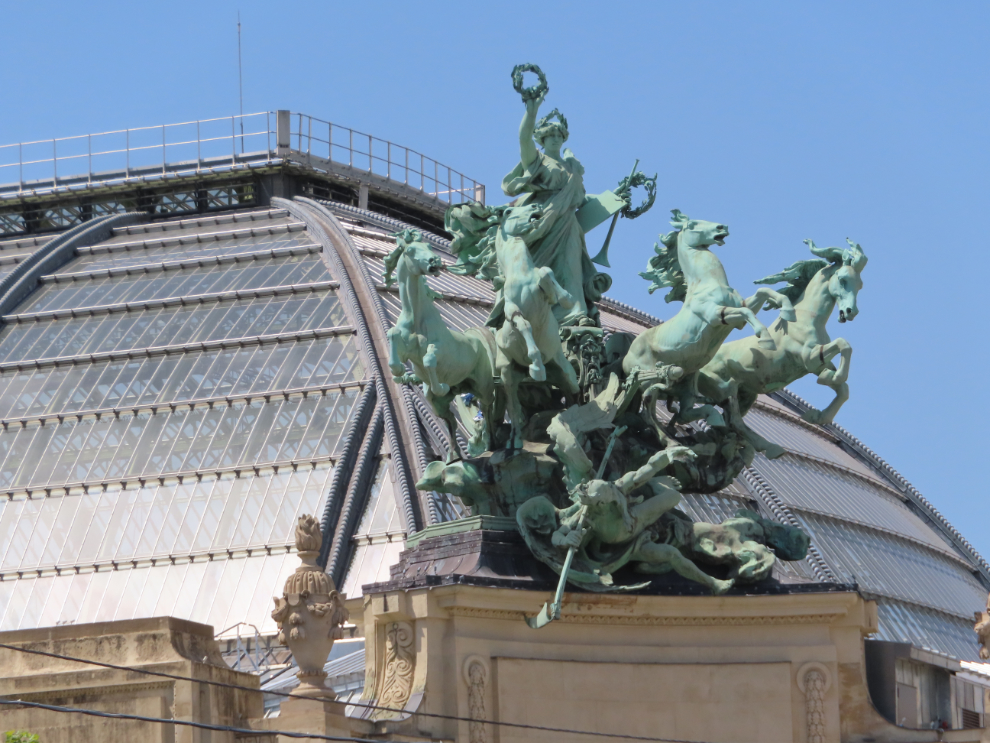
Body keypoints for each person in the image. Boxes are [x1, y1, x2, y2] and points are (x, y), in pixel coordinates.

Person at [500, 92, 613, 327]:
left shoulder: (571, 168)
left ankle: (575, 313)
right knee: (536, 270)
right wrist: (531, 113)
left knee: (571, 268)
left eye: (559, 135)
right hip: (541, 222)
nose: (555, 139)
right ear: (541, 138)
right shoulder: (537, 161)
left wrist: (614, 198)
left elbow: (578, 198)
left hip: (567, 225)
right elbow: (523, 138)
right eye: (549, 135)